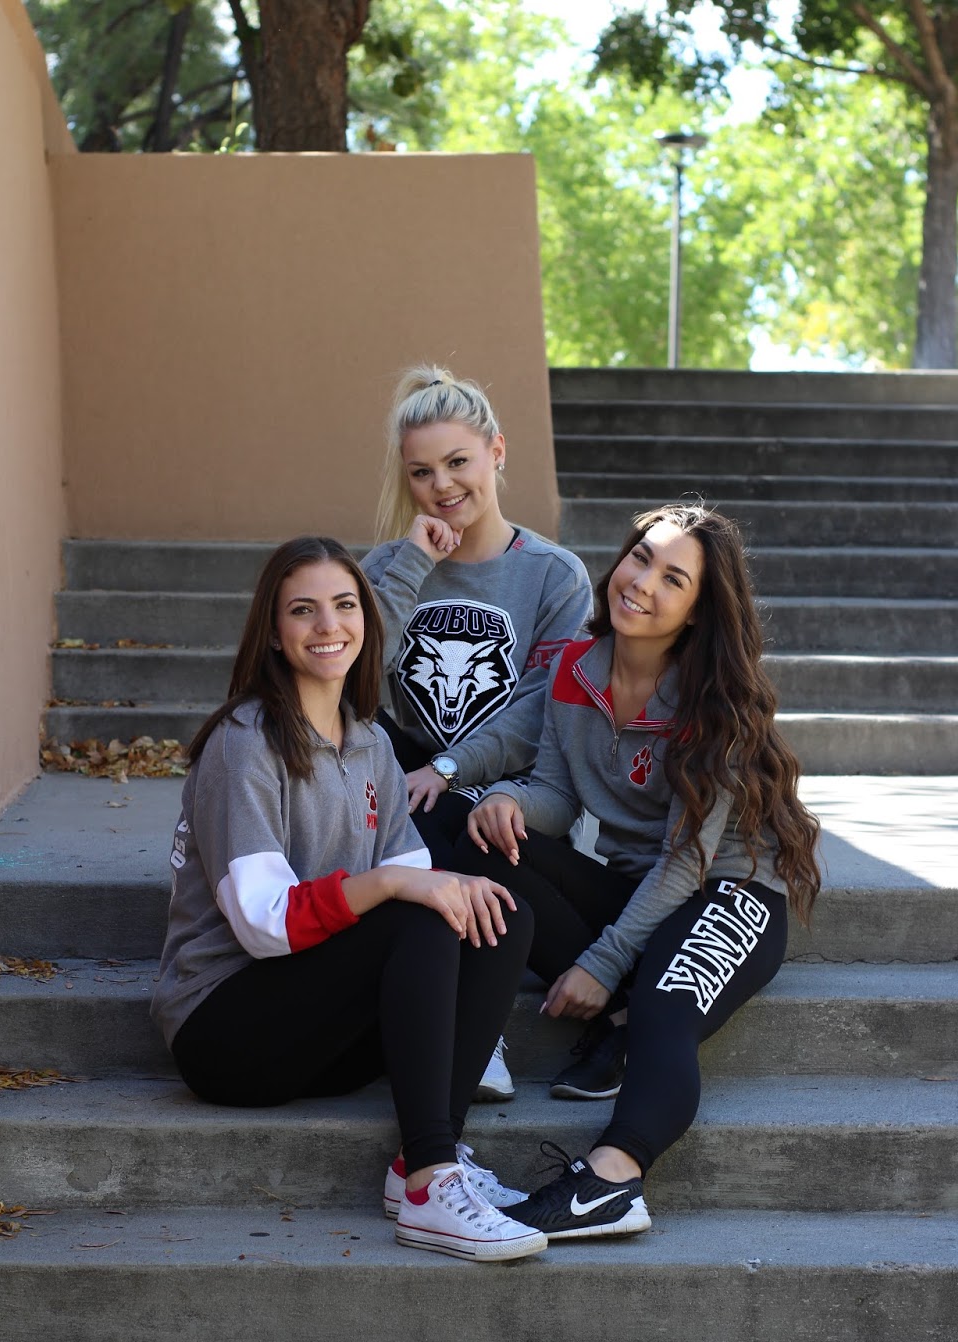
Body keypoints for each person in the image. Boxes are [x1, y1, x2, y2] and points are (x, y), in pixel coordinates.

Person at [150, 536, 545, 1264]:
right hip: (227, 1029)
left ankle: (425, 1159)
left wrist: (429, 885)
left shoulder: (369, 745)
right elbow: (265, 925)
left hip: (320, 1025)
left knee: (498, 917)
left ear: (367, 618)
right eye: (303, 610)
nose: (328, 625)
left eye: (344, 605)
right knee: (417, 918)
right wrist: (393, 885)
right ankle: (430, 1187)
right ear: (274, 632)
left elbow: (419, 879)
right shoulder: (244, 744)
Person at [458, 503, 821, 1241]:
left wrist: (602, 962)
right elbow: (557, 794)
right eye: (641, 557)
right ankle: (622, 1005)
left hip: (730, 892)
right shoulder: (575, 668)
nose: (643, 583)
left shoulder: (717, 704)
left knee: (666, 1004)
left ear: (698, 611)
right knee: (477, 838)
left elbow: (688, 858)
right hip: (639, 890)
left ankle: (612, 1181)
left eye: (673, 579)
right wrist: (507, 800)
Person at [360, 364, 593, 1102]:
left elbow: (539, 711)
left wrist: (452, 768)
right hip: (416, 775)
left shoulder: (554, 575)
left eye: (458, 461)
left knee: (458, 827)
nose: (442, 485)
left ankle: (475, 1022)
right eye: (421, 472)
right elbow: (351, 679)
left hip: (507, 788)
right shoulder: (385, 567)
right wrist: (413, 564)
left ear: (497, 451)